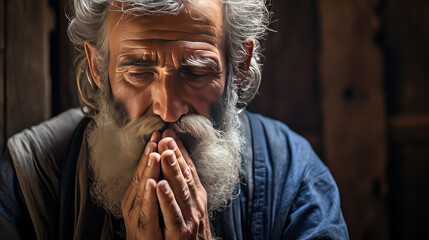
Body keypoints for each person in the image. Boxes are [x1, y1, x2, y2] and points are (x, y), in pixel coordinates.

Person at [0, 0, 349, 239]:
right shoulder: (30, 178)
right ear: (97, 67)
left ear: (239, 65)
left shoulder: (292, 176)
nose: (167, 111)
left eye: (195, 72)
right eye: (138, 71)